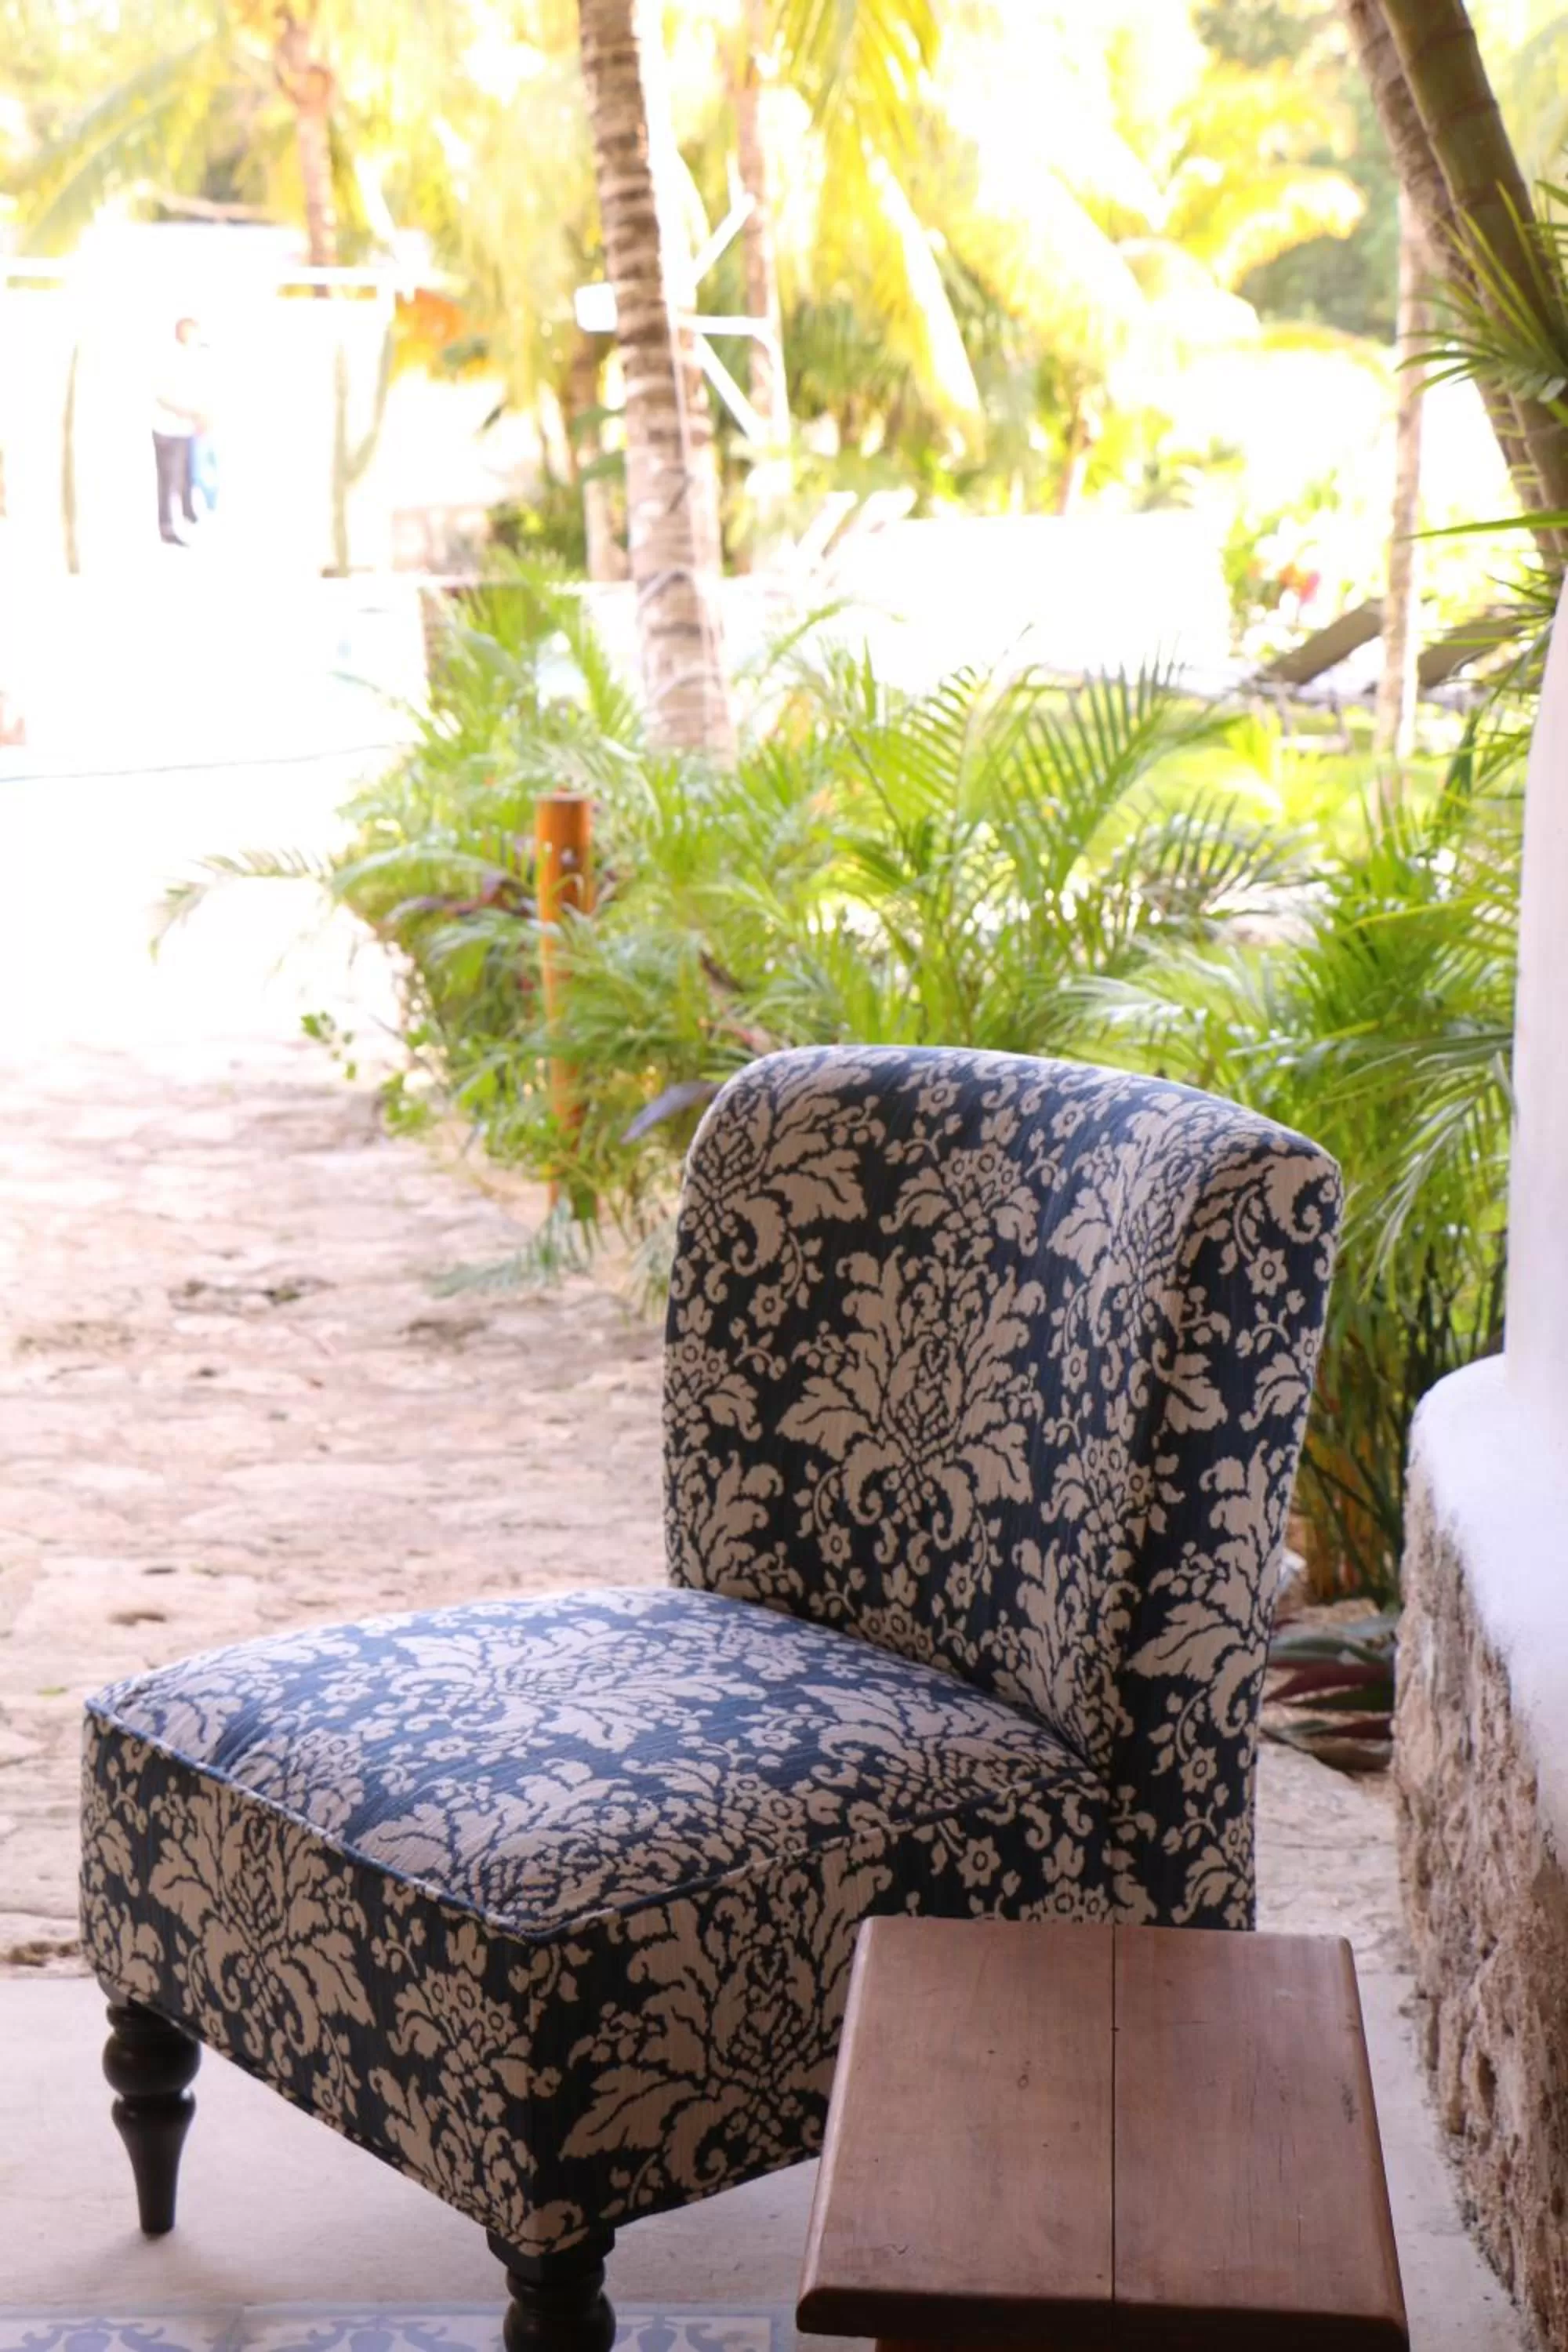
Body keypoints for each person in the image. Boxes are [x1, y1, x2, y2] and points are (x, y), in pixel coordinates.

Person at [151, 317, 207, 545]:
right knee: (169, 482)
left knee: (184, 479)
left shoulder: (192, 358)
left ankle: (185, 517)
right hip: (167, 430)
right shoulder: (169, 358)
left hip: (184, 430)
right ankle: (167, 527)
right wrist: (188, 413)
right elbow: (162, 395)